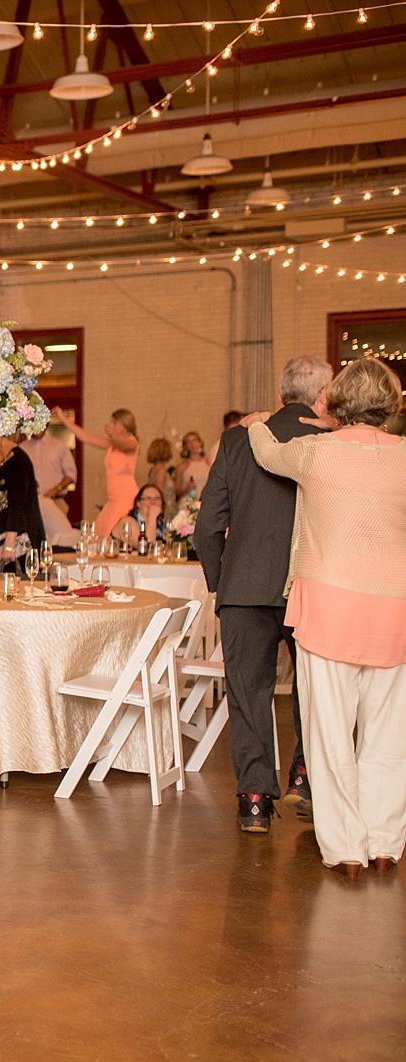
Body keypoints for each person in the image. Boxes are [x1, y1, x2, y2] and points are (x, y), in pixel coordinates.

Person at [243, 359, 406, 874]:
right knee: (389, 736)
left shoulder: (314, 453)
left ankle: (346, 851)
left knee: (329, 733)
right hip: (394, 607)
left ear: (336, 404)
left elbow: (267, 453)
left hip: (329, 606)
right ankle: (384, 845)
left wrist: (254, 424)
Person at [195, 355, 331, 833]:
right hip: (309, 586)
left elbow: (207, 528)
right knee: (314, 690)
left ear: (280, 395)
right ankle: (303, 774)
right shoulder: (332, 444)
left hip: (244, 589)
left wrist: (222, 582)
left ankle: (254, 800)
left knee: (248, 696)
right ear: (323, 397)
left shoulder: (237, 441)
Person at [53, 406, 139, 540]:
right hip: (113, 500)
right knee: (100, 535)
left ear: (123, 425)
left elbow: (121, 445)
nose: (110, 425)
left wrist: (112, 435)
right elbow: (87, 437)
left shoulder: (132, 442)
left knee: (114, 536)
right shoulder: (112, 443)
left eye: (114, 423)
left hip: (126, 498)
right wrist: (63, 419)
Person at [0, 434, 47, 574]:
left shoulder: (17, 459)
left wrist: (10, 543)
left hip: (17, 544)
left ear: (0, 437)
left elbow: (18, 502)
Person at [21, 425, 79, 547]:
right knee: (35, 542)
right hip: (32, 504)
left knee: (60, 541)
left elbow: (71, 475)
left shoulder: (59, 446)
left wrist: (55, 490)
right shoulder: (23, 448)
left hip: (56, 501)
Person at [173, 431, 211, 506]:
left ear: (200, 442)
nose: (192, 444)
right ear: (185, 446)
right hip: (188, 504)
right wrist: (186, 489)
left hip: (207, 503)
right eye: (188, 442)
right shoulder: (182, 466)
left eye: (195, 440)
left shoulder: (209, 462)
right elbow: (176, 491)